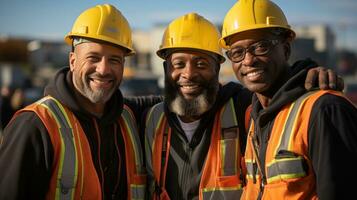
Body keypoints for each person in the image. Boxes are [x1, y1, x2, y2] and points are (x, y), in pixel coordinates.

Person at [144, 13, 343, 200]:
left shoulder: (244, 108)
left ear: (218, 68)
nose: (189, 74)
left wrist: (306, 75)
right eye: (178, 64)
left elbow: (276, 90)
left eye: (201, 64)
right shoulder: (151, 118)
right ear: (166, 69)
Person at [0, 4, 146, 199]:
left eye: (114, 60)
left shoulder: (127, 116)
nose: (103, 69)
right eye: (93, 57)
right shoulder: (35, 125)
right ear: (72, 61)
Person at [219, 0, 357, 199]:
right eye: (237, 53)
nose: (248, 60)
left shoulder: (324, 110)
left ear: (285, 49)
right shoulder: (256, 116)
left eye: (261, 47)